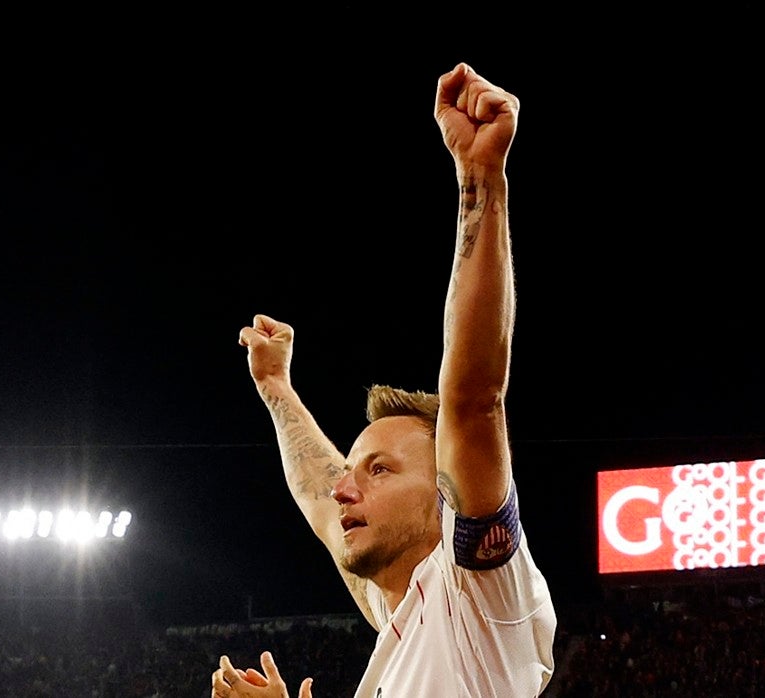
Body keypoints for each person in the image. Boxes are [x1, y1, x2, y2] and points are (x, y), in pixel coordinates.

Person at [210, 62, 556, 698]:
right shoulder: (399, 622)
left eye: (380, 470)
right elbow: (319, 498)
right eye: (356, 471)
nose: (345, 489)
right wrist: (277, 391)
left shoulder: (476, 599)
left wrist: (481, 180)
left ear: (448, 500)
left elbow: (474, 400)